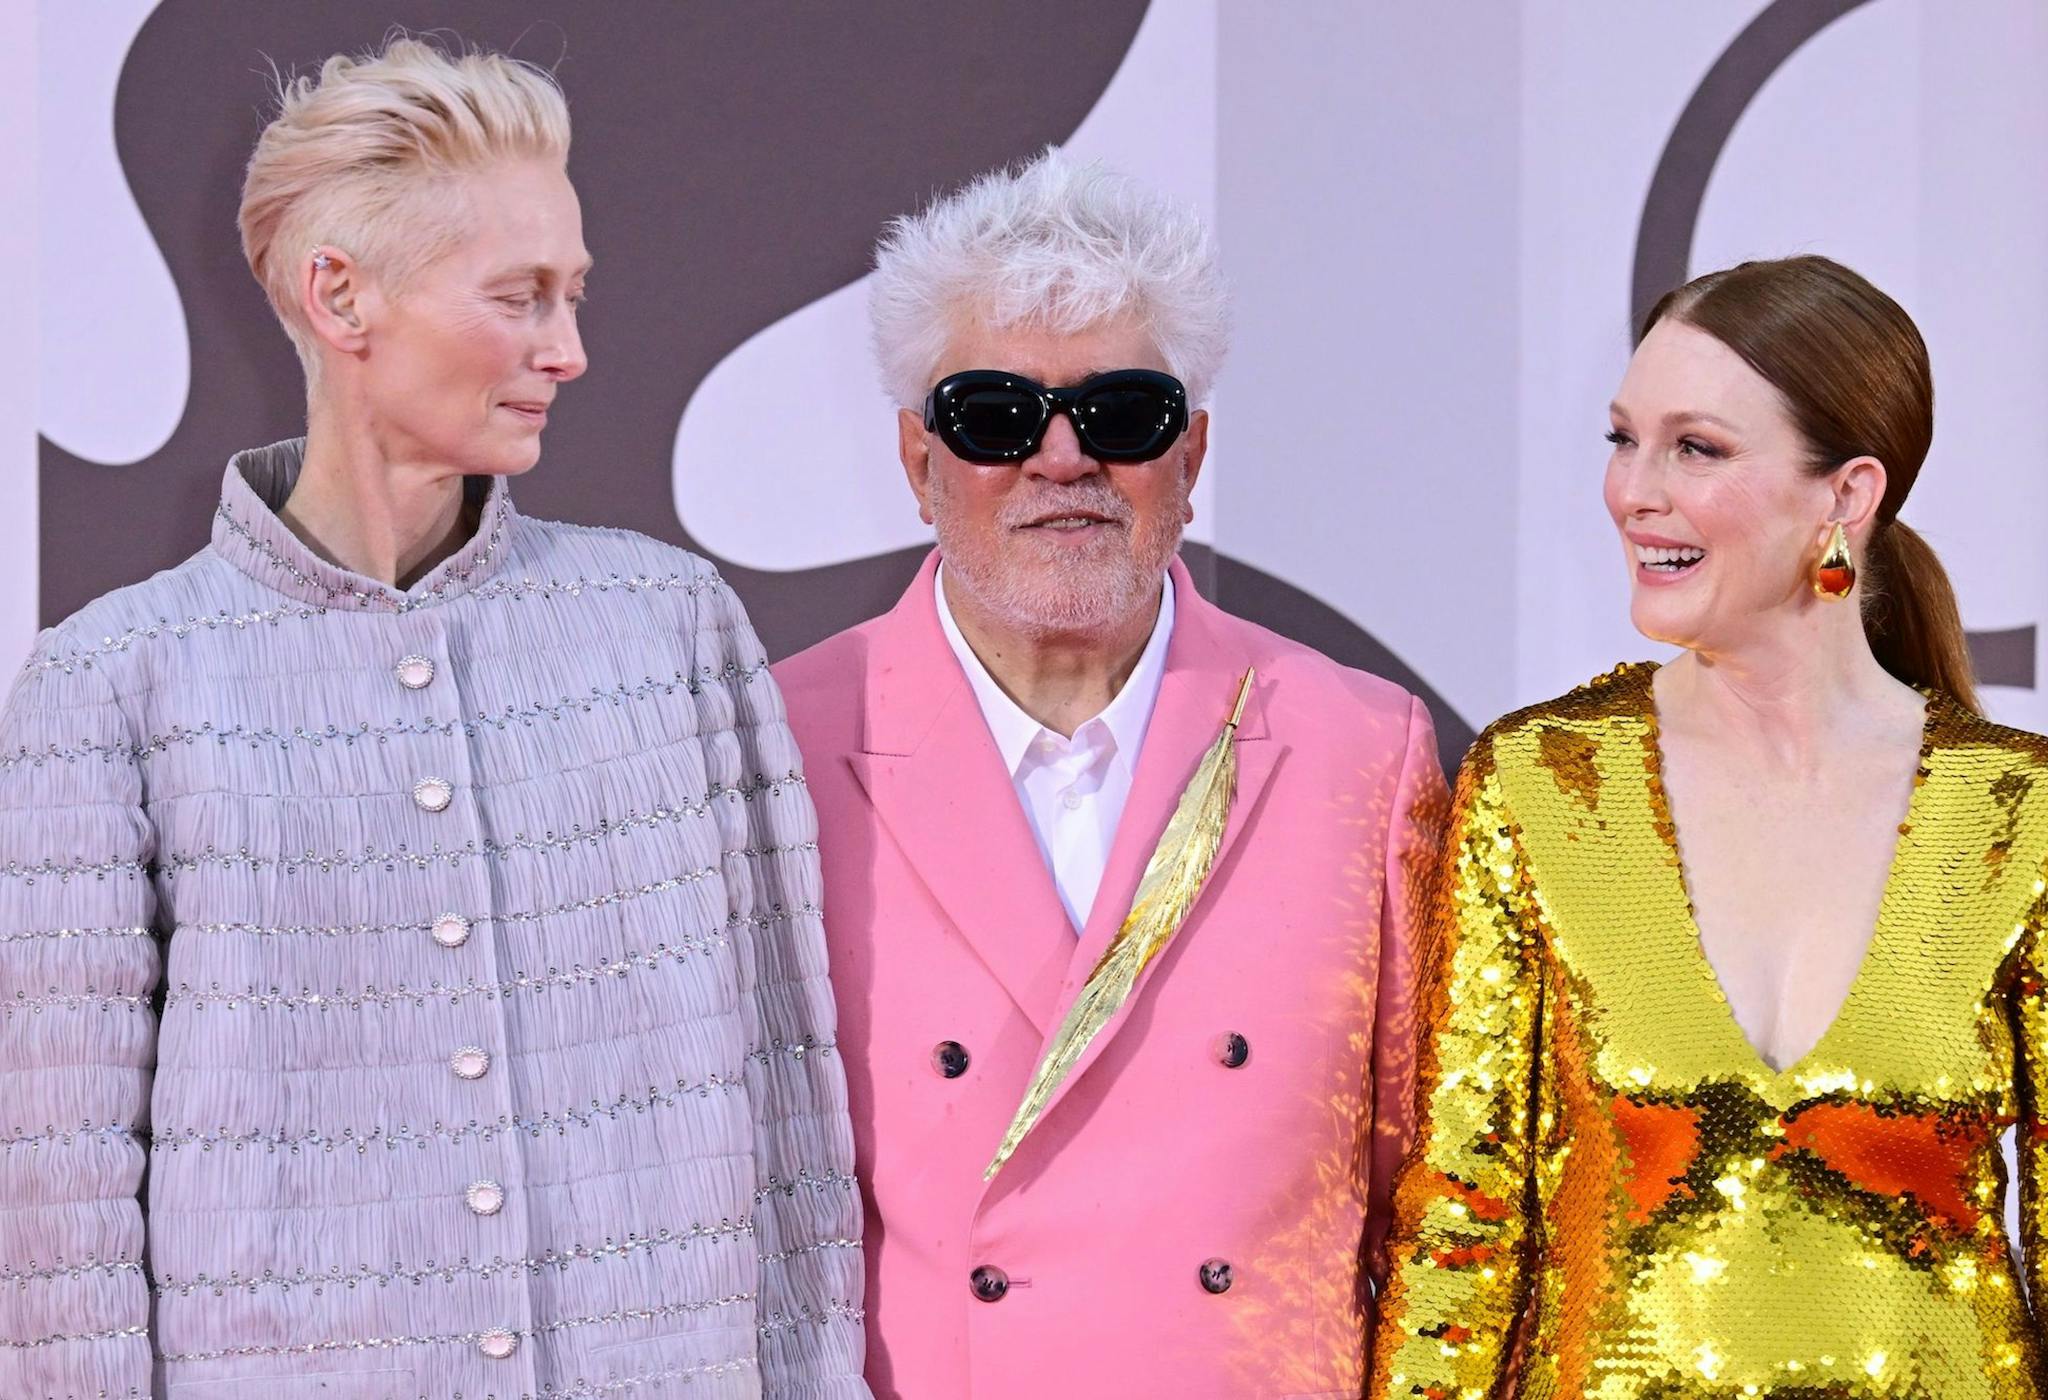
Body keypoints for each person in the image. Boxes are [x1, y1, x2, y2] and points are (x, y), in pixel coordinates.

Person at [0, 38, 868, 1399]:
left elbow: (788, 1112)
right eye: (520, 297)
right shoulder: (116, 687)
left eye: (574, 296)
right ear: (339, 295)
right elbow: (56, 1219)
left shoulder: (672, 633)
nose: (568, 350)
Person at [774, 149, 1447, 1400]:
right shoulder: (777, 749)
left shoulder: (1362, 749)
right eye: (994, 415)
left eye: (1122, 413)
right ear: (918, 462)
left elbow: (1435, 1196)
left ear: (1188, 458)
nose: (1064, 458)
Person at [1372, 254, 2048, 1397]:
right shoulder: (1541, 783)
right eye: (1621, 438)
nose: (1633, 489)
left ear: (1843, 495)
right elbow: (1462, 1228)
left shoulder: (2013, 813)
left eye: (1695, 447)